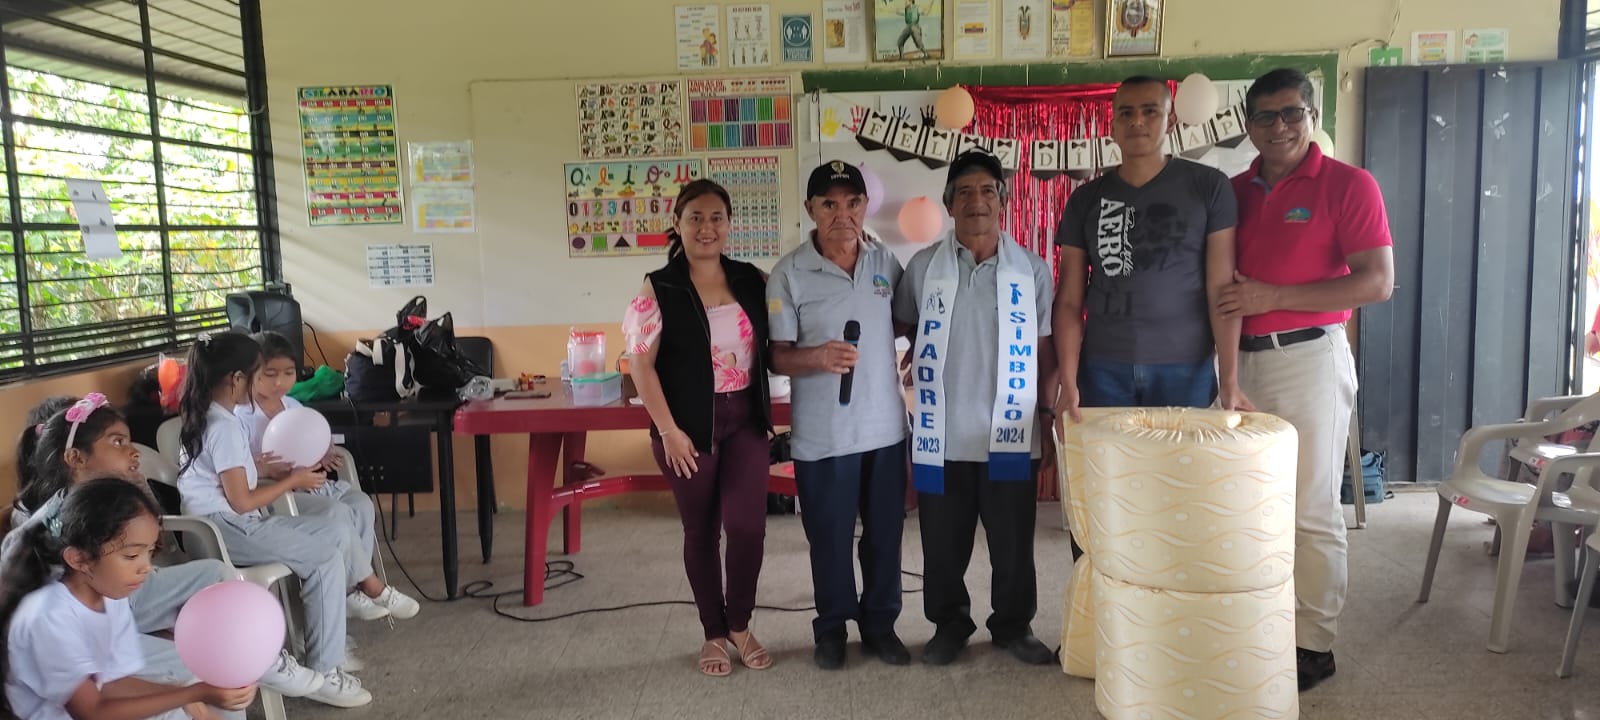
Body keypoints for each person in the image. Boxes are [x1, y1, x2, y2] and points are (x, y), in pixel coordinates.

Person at [1218, 67, 1394, 692]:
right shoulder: (1233, 192)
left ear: (1312, 116)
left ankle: (1313, 643)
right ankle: (1263, 623)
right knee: (1245, 506)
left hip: (1309, 359)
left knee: (1309, 508)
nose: (1280, 126)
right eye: (1265, 116)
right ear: (1248, 126)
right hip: (1239, 364)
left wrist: (1274, 296)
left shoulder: (1348, 184)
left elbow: (1377, 281)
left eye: (1292, 112)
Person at [5, 394, 323, 699]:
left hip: (119, 597)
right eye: (118, 442)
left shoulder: (110, 498)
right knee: (203, 662)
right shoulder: (55, 524)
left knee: (216, 575)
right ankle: (241, 667)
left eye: (129, 441)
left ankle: (263, 660)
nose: (133, 452)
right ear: (76, 458)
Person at [177, 331, 416, 707]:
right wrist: (292, 480)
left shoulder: (211, 415)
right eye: (258, 374)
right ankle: (326, 671)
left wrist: (261, 468)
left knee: (337, 527)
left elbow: (228, 477)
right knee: (324, 560)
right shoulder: (223, 426)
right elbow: (242, 501)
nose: (262, 383)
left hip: (228, 522)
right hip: (224, 529)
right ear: (237, 379)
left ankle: (364, 589)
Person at [894, 151, 1057, 666]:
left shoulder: (1031, 270)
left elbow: (1045, 349)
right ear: (948, 204)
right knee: (942, 544)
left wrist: (1047, 418)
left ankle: (1013, 625)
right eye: (964, 192)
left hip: (1010, 430)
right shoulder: (923, 268)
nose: (976, 201)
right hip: (941, 433)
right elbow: (902, 326)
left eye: (987, 190)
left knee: (1014, 543)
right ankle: (949, 624)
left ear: (1003, 201)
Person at [625, 178, 775, 677]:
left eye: (716, 218)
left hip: (745, 419)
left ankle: (740, 623)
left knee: (748, 526)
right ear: (677, 224)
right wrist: (668, 430)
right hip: (686, 427)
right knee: (702, 529)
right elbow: (640, 364)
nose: (707, 227)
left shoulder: (751, 279)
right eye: (695, 218)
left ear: (729, 224)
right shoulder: (658, 286)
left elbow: (785, 327)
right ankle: (714, 632)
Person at [768, 161, 909, 670]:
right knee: (828, 540)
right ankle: (831, 628)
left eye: (852, 203)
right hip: (823, 437)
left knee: (885, 537)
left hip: (886, 431)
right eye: (829, 204)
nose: (842, 214)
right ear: (811, 209)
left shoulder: (885, 261)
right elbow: (776, 356)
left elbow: (904, 320)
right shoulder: (788, 273)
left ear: (865, 207)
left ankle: (881, 626)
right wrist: (817, 357)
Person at [1054, 75, 1250, 421]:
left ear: (1170, 120)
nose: (1137, 121)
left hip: (1185, 367)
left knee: (1180, 457)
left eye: (1150, 111)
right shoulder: (1085, 199)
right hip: (1103, 369)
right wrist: (1068, 383)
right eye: (1126, 113)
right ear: (1113, 126)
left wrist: (1230, 378)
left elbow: (1221, 289)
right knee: (1107, 459)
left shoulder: (1209, 187)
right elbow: (1069, 300)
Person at [1, 478, 257, 720]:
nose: (146, 567)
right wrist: (190, 694)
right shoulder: (49, 620)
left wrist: (182, 694)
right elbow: (93, 712)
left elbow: (108, 682)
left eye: (150, 552)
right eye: (132, 556)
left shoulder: (110, 600)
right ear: (79, 559)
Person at [237, 331, 384, 621]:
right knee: (337, 512)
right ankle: (347, 590)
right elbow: (242, 466)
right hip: (274, 492)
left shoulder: (293, 406)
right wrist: (268, 469)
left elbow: (312, 437)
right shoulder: (241, 414)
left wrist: (323, 452)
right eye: (270, 374)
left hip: (307, 484)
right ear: (251, 373)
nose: (280, 382)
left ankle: (351, 586)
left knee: (361, 504)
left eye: (288, 373)